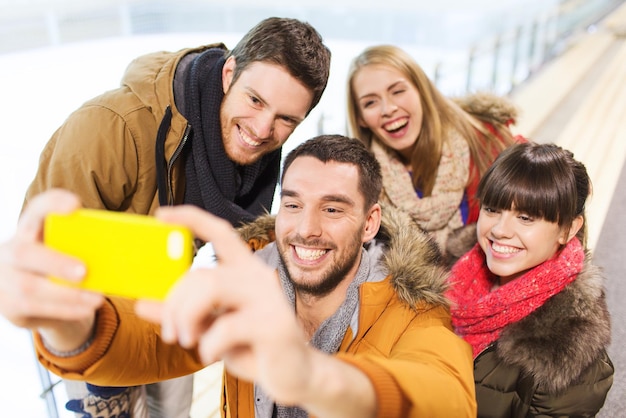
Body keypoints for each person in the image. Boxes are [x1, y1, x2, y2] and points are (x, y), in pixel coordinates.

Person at [1, 135, 477, 417]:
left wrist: (313, 376)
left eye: (333, 209)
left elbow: (447, 398)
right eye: (292, 204)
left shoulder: (415, 311)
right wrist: (70, 322)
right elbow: (149, 339)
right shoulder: (251, 280)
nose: (305, 229)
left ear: (370, 222)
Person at [21, 17, 331, 418]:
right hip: (95, 318)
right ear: (229, 73)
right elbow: (48, 249)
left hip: (168, 297)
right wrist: (101, 372)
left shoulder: (253, 158)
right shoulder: (112, 126)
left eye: (286, 119)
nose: (261, 129)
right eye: (254, 100)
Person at [445, 142, 614, 417]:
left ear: (568, 229)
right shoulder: (450, 272)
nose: (499, 230)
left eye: (525, 217)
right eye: (492, 209)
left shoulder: (568, 352)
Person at [346, 44, 524, 264]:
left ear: (422, 90)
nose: (388, 109)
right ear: (361, 118)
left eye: (398, 91)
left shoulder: (489, 142)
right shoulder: (361, 184)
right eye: (370, 102)